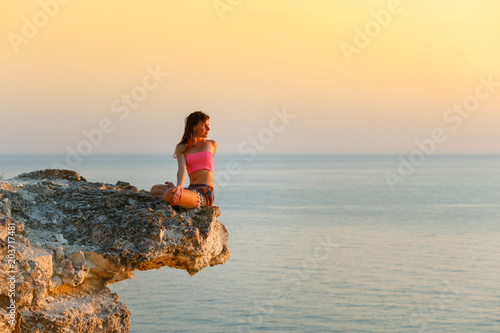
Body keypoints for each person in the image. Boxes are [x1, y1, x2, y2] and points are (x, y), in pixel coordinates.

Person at [150, 111, 216, 209]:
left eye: (208, 125)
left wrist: (175, 189)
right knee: (154, 189)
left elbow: (205, 166)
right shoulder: (182, 148)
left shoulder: (211, 144)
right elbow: (182, 169)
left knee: (169, 194)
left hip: (204, 193)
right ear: (194, 127)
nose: (208, 128)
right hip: (190, 189)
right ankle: (179, 196)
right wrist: (179, 187)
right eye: (204, 125)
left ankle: (176, 197)